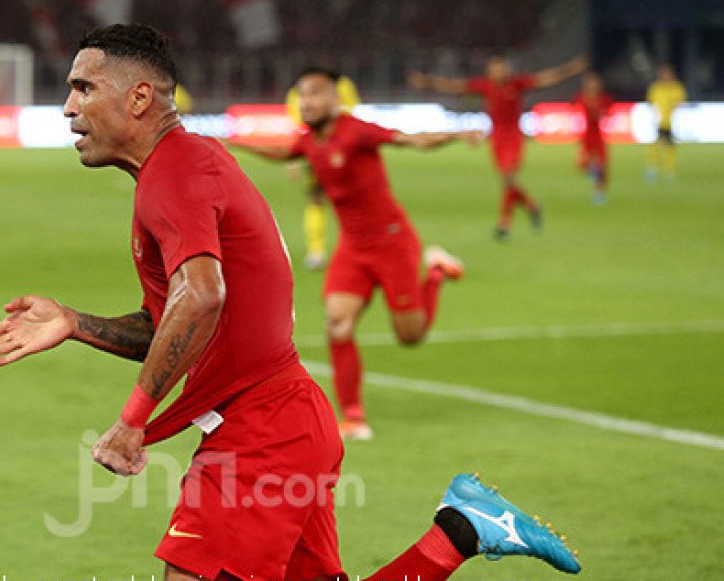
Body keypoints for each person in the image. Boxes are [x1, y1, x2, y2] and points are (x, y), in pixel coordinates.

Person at [0, 24, 579, 581]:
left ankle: (465, 525)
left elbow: (201, 296)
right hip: (283, 419)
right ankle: (461, 530)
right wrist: (75, 322)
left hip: (262, 430)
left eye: (83, 89)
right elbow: (174, 324)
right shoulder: (179, 170)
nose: (67, 108)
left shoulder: (175, 172)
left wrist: (133, 420)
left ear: (138, 98)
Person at [230, 67, 477, 441]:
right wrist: (230, 143)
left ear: (334, 98)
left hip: (392, 243)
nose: (307, 101)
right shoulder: (309, 140)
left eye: (315, 93)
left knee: (411, 336)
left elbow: (412, 139)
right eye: (302, 94)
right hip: (353, 247)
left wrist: (457, 133)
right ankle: (354, 416)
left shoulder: (356, 130)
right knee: (337, 324)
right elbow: (282, 151)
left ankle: (437, 271)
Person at [410, 54, 587, 240]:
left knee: (508, 177)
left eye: (501, 68)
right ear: (489, 71)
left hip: (513, 137)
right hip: (496, 138)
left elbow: (544, 78)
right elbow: (456, 86)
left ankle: (505, 224)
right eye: (494, 69)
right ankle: (531, 206)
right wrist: (428, 82)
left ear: (507, 70)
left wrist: (570, 69)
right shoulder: (485, 86)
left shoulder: (516, 84)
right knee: (507, 180)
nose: (498, 72)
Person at [285, 74, 360, 270]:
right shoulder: (343, 85)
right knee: (321, 199)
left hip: (326, 148)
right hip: (324, 149)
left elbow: (298, 121)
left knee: (322, 200)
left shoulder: (301, 89)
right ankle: (320, 251)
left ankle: (319, 251)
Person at [573, 71, 614, 205]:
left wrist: (603, 115)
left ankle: (599, 192)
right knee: (582, 165)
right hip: (586, 136)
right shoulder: (582, 98)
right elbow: (576, 111)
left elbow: (608, 113)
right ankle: (593, 172)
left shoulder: (603, 99)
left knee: (602, 166)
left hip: (598, 136)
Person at [645, 63, 687, 182]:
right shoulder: (656, 87)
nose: (665, 76)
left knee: (669, 147)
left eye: (667, 74)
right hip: (659, 121)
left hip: (671, 122)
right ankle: (653, 168)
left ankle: (669, 170)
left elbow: (681, 100)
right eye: (663, 74)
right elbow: (650, 100)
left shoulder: (676, 87)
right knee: (656, 145)